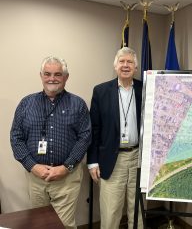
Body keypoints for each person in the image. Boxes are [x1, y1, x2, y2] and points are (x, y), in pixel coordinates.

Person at [10, 56, 91, 229]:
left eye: (57, 74)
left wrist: (66, 167)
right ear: (41, 75)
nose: (52, 78)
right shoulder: (26, 104)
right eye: (47, 74)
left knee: (64, 225)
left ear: (66, 77)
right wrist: (32, 166)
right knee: (40, 224)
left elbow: (85, 138)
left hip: (66, 178)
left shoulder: (78, 104)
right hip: (36, 178)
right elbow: (16, 138)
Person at [87, 47, 143, 229]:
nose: (125, 65)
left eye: (130, 62)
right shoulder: (101, 91)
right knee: (110, 212)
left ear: (135, 67)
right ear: (115, 66)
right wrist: (93, 161)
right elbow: (94, 129)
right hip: (112, 158)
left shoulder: (146, 89)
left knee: (138, 210)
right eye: (122, 61)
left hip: (139, 157)